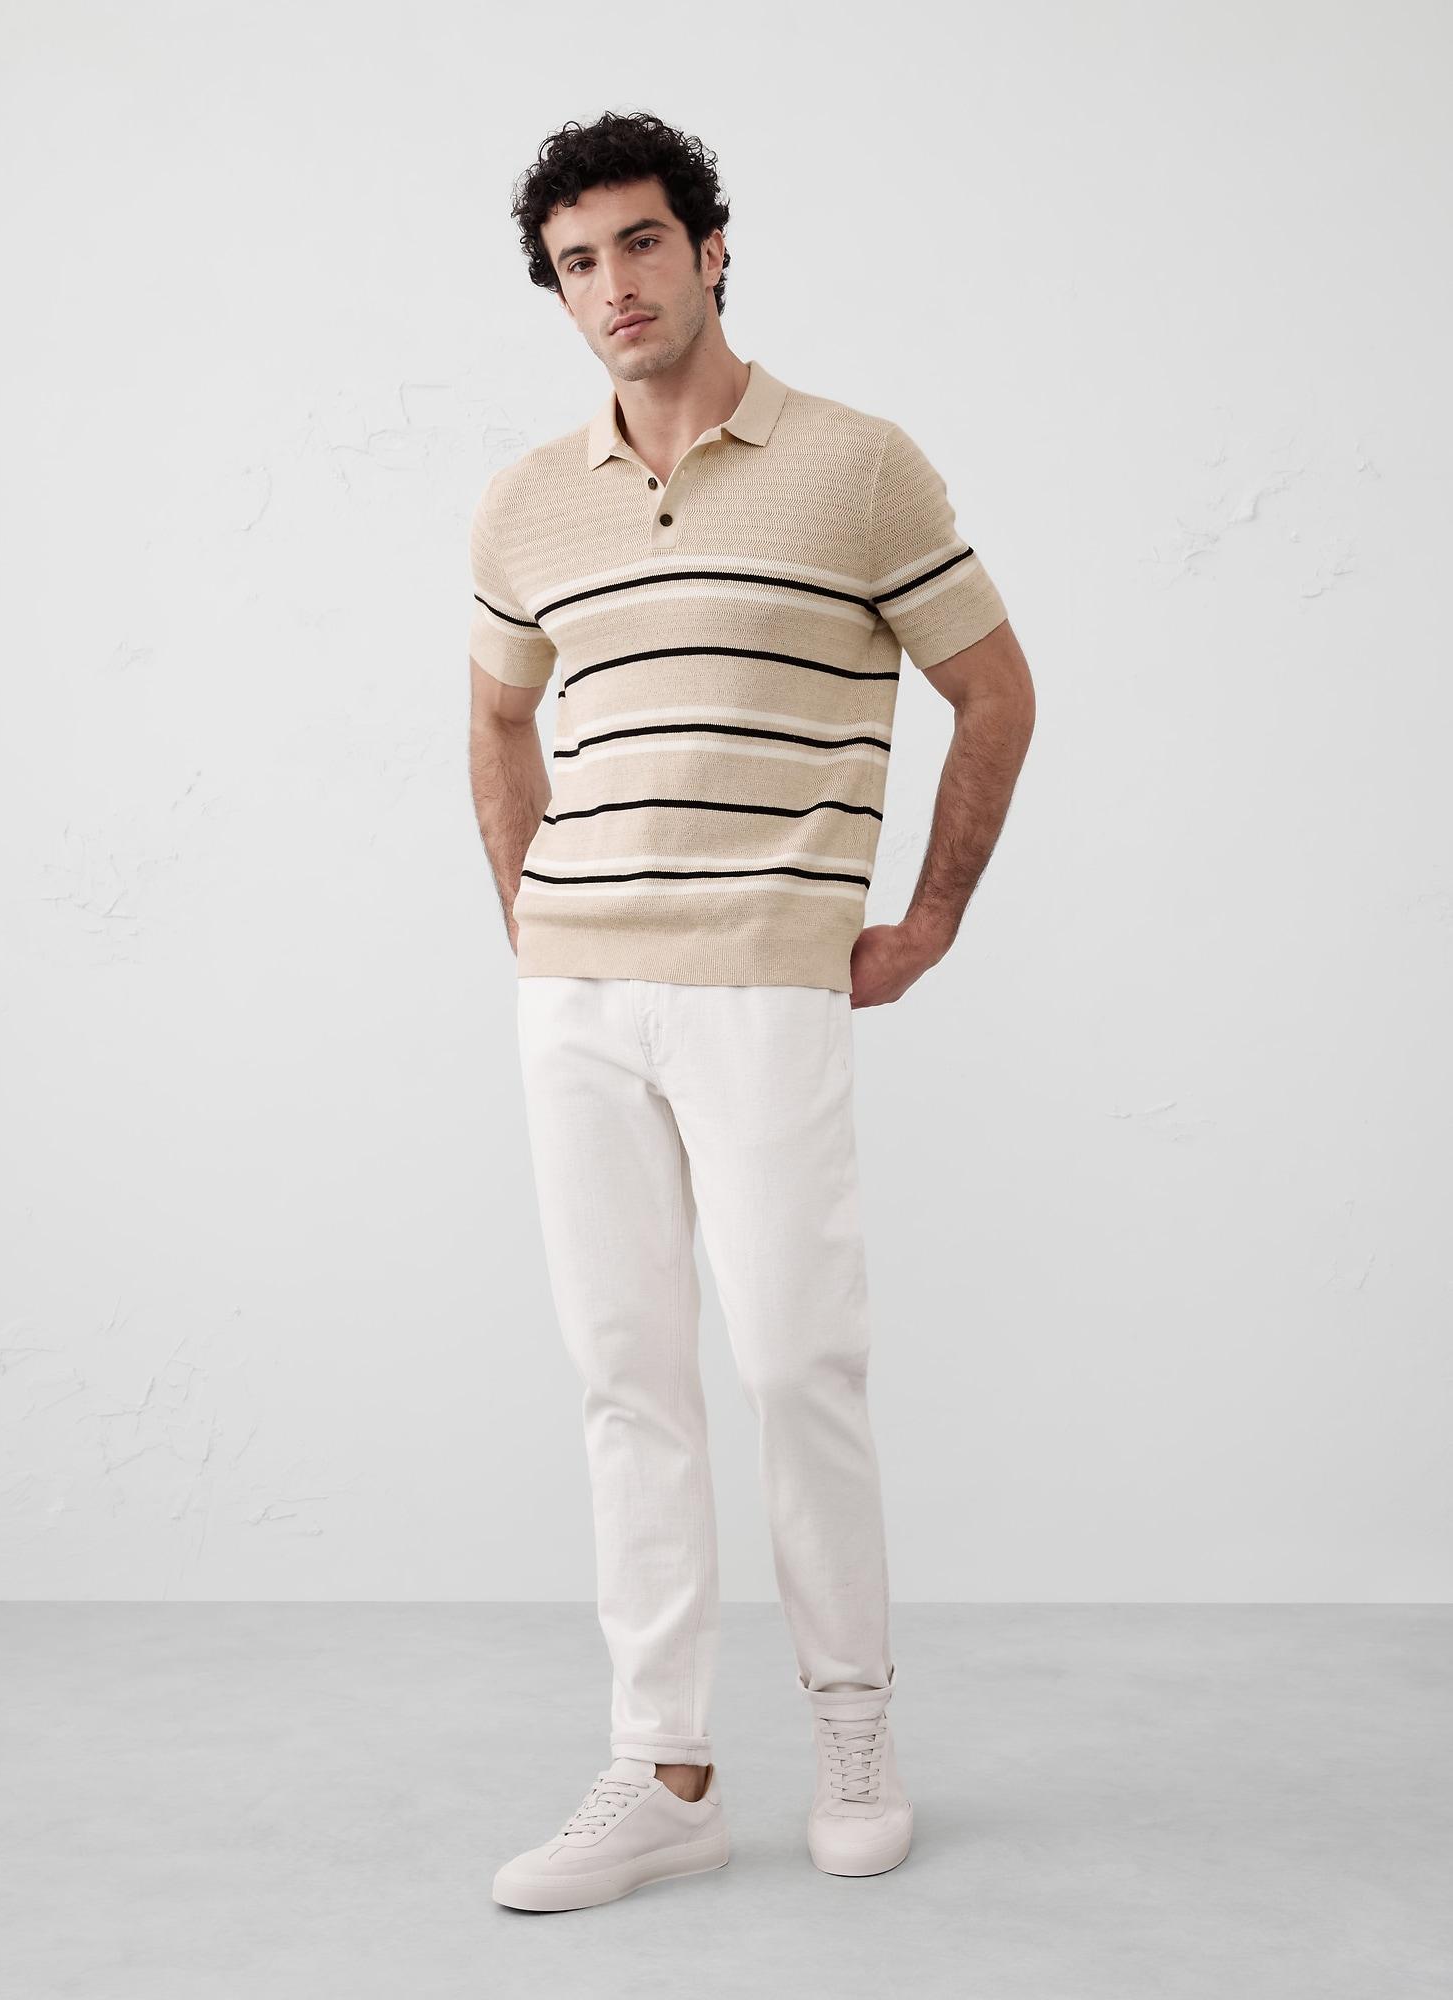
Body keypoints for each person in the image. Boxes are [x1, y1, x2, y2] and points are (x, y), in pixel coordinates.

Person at [468, 109, 1036, 1914]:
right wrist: (535, 925)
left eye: (642, 243)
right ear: (557, 291)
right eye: (577, 263)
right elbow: (497, 717)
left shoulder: (856, 467)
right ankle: (666, 1770)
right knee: (626, 1376)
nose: (614, 286)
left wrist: (929, 919)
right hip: (579, 1000)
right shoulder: (528, 501)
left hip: (765, 991)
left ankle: (854, 1724)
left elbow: (996, 690)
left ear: (712, 250)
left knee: (799, 1363)